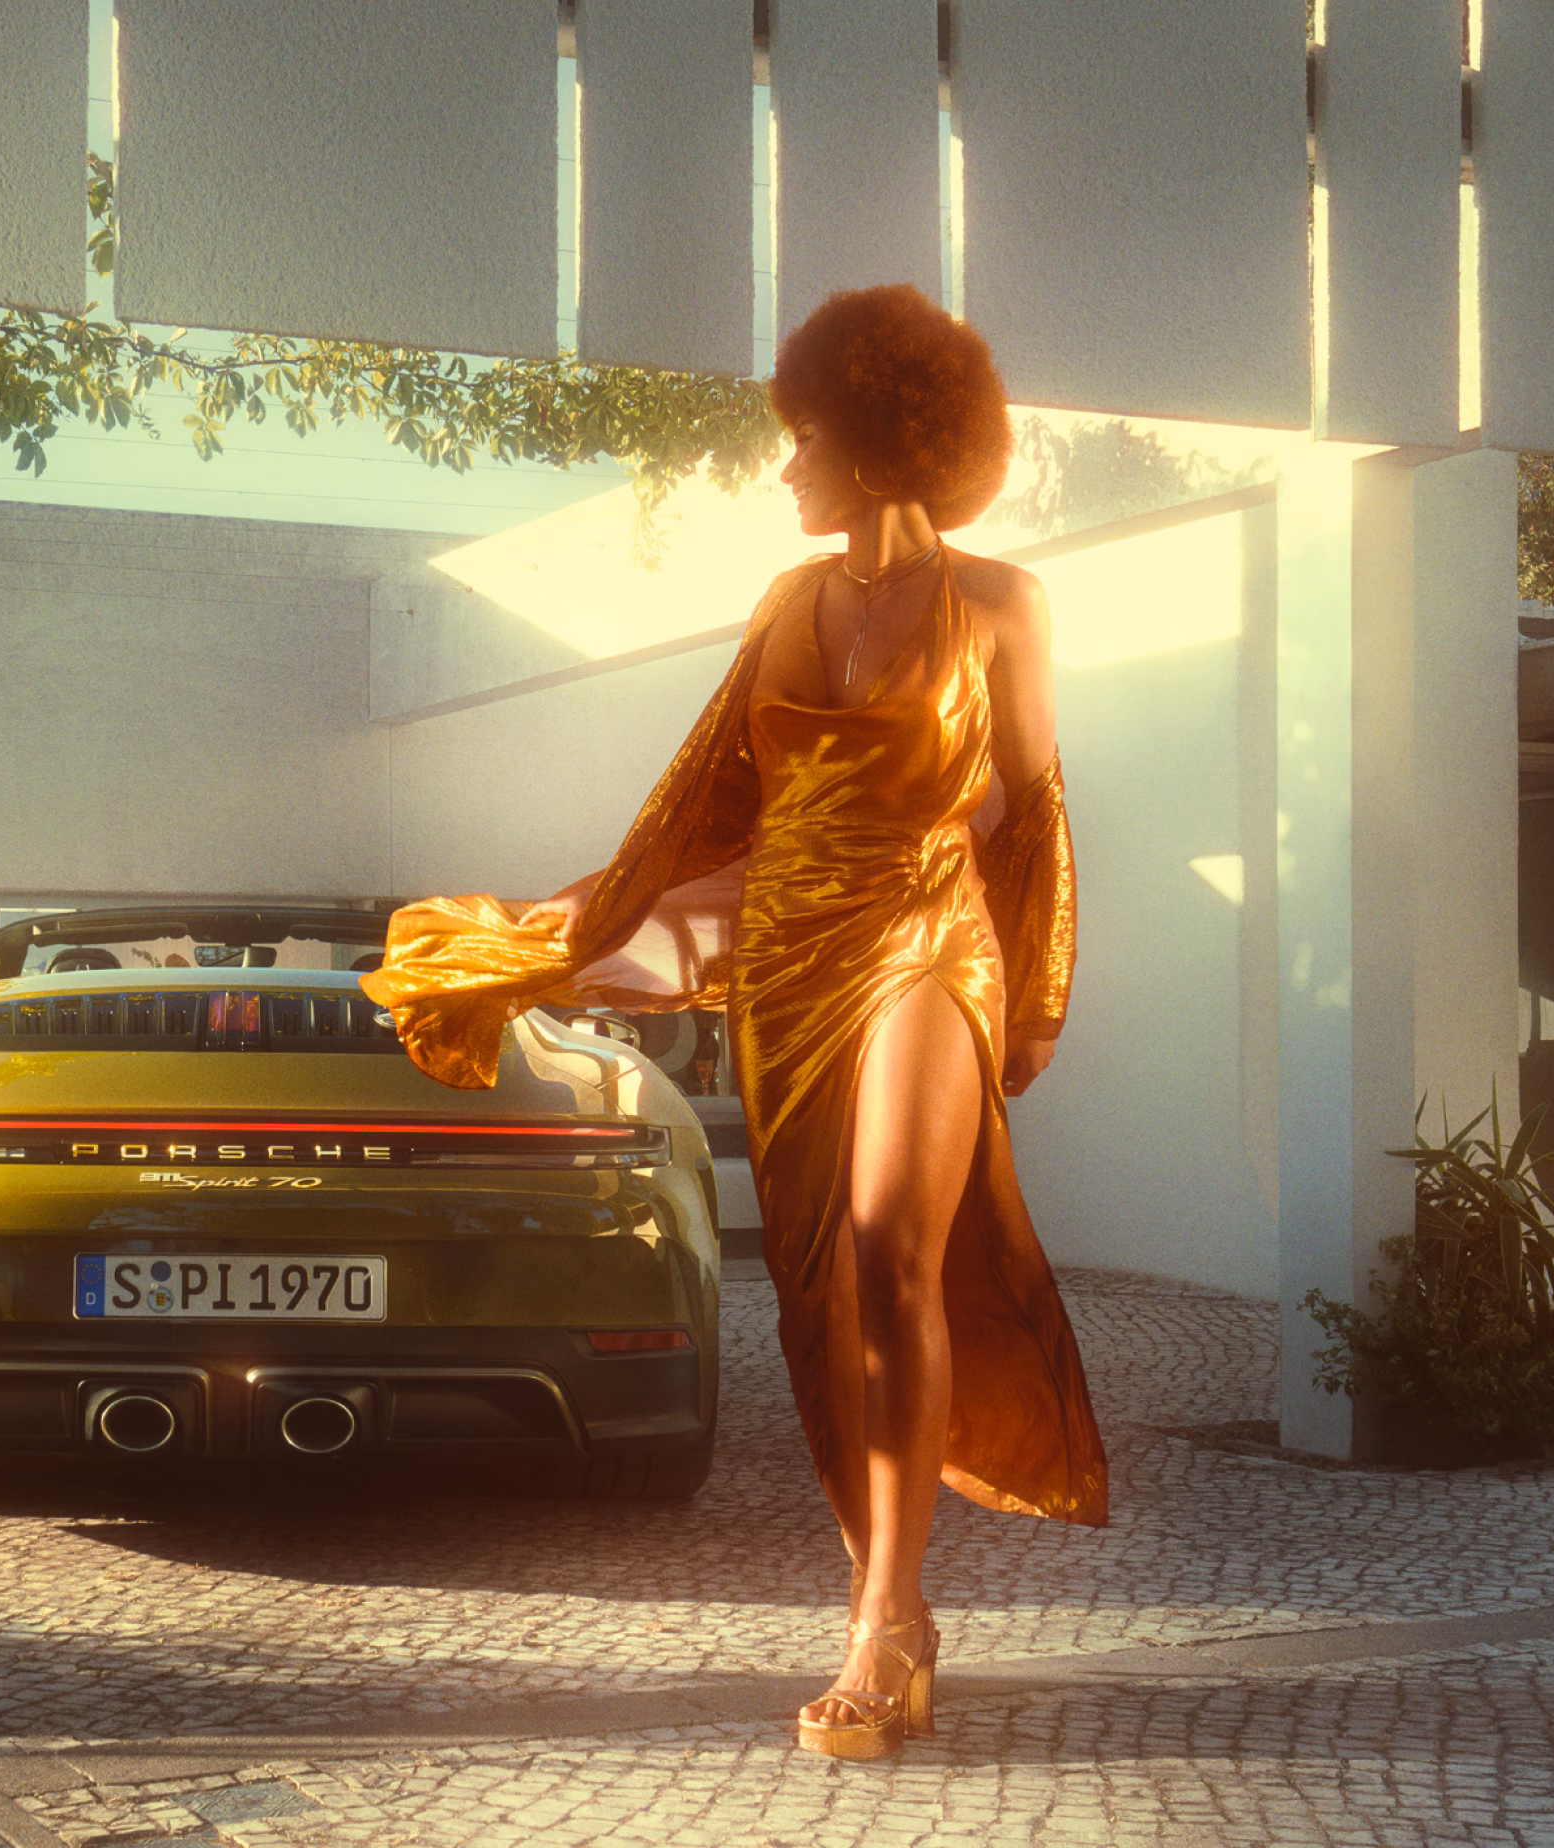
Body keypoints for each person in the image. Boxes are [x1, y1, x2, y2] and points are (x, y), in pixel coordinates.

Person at [362, 286, 1108, 1760]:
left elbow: (1033, 815)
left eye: (809, 439)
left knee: (898, 1243)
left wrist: (1031, 996)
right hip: (788, 960)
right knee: (829, 1290)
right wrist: (579, 936)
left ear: (892, 440)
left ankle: (885, 1627)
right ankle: (889, 1595)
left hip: (924, 946)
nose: (788, 470)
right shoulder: (784, 607)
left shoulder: (1005, 604)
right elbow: (703, 800)